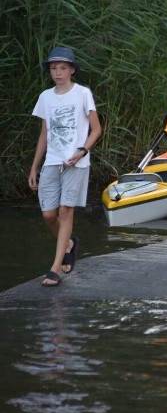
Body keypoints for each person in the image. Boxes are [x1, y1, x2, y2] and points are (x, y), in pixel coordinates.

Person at [28, 46, 102, 287]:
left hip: (76, 162)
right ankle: (69, 243)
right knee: (48, 214)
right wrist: (34, 167)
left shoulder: (82, 93)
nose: (57, 73)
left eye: (62, 68)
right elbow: (44, 135)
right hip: (52, 161)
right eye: (53, 68)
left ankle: (55, 268)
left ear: (71, 70)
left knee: (64, 211)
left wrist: (82, 151)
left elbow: (96, 129)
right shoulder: (45, 97)